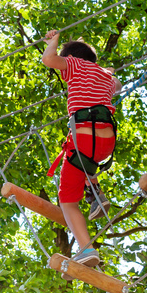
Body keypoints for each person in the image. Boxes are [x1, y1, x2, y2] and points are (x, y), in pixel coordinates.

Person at [41, 29, 122, 273]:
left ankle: (86, 249)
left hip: (85, 137)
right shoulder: (104, 76)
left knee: (66, 200)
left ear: (73, 58)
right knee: (82, 163)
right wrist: (107, 73)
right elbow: (117, 86)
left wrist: (52, 43)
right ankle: (95, 194)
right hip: (105, 142)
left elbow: (49, 60)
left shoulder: (75, 65)